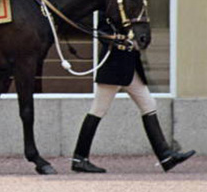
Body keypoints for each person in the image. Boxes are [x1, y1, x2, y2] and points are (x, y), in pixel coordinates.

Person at [71, 40, 196, 173]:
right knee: (98, 110)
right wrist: (120, 38)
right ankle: (80, 159)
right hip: (114, 67)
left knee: (148, 104)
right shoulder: (110, 18)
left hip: (130, 67)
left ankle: (166, 156)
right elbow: (101, 34)